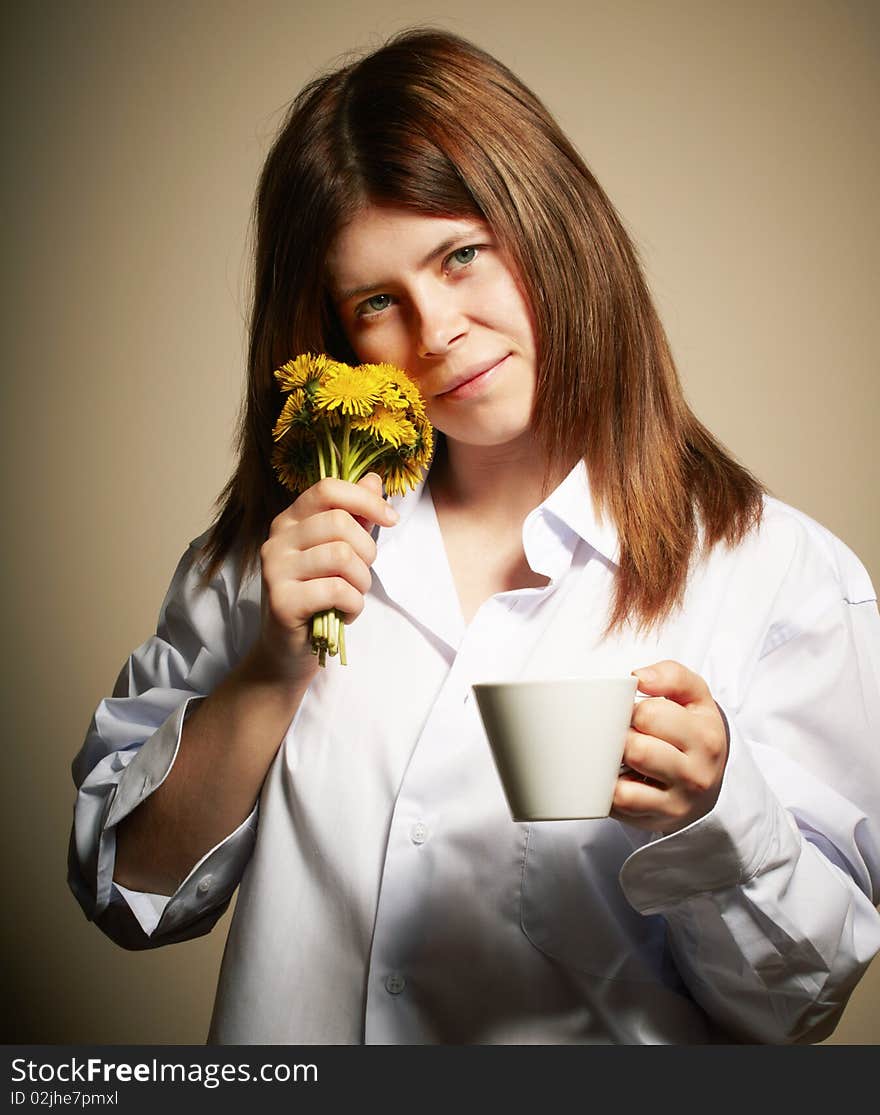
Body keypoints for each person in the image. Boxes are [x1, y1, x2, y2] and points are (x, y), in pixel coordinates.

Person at [68, 27, 880, 1045]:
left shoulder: (778, 576)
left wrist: (714, 814)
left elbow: (795, 1009)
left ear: (550, 225)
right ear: (336, 331)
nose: (436, 329)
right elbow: (124, 892)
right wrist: (270, 669)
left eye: (461, 254)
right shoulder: (273, 560)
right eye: (376, 302)